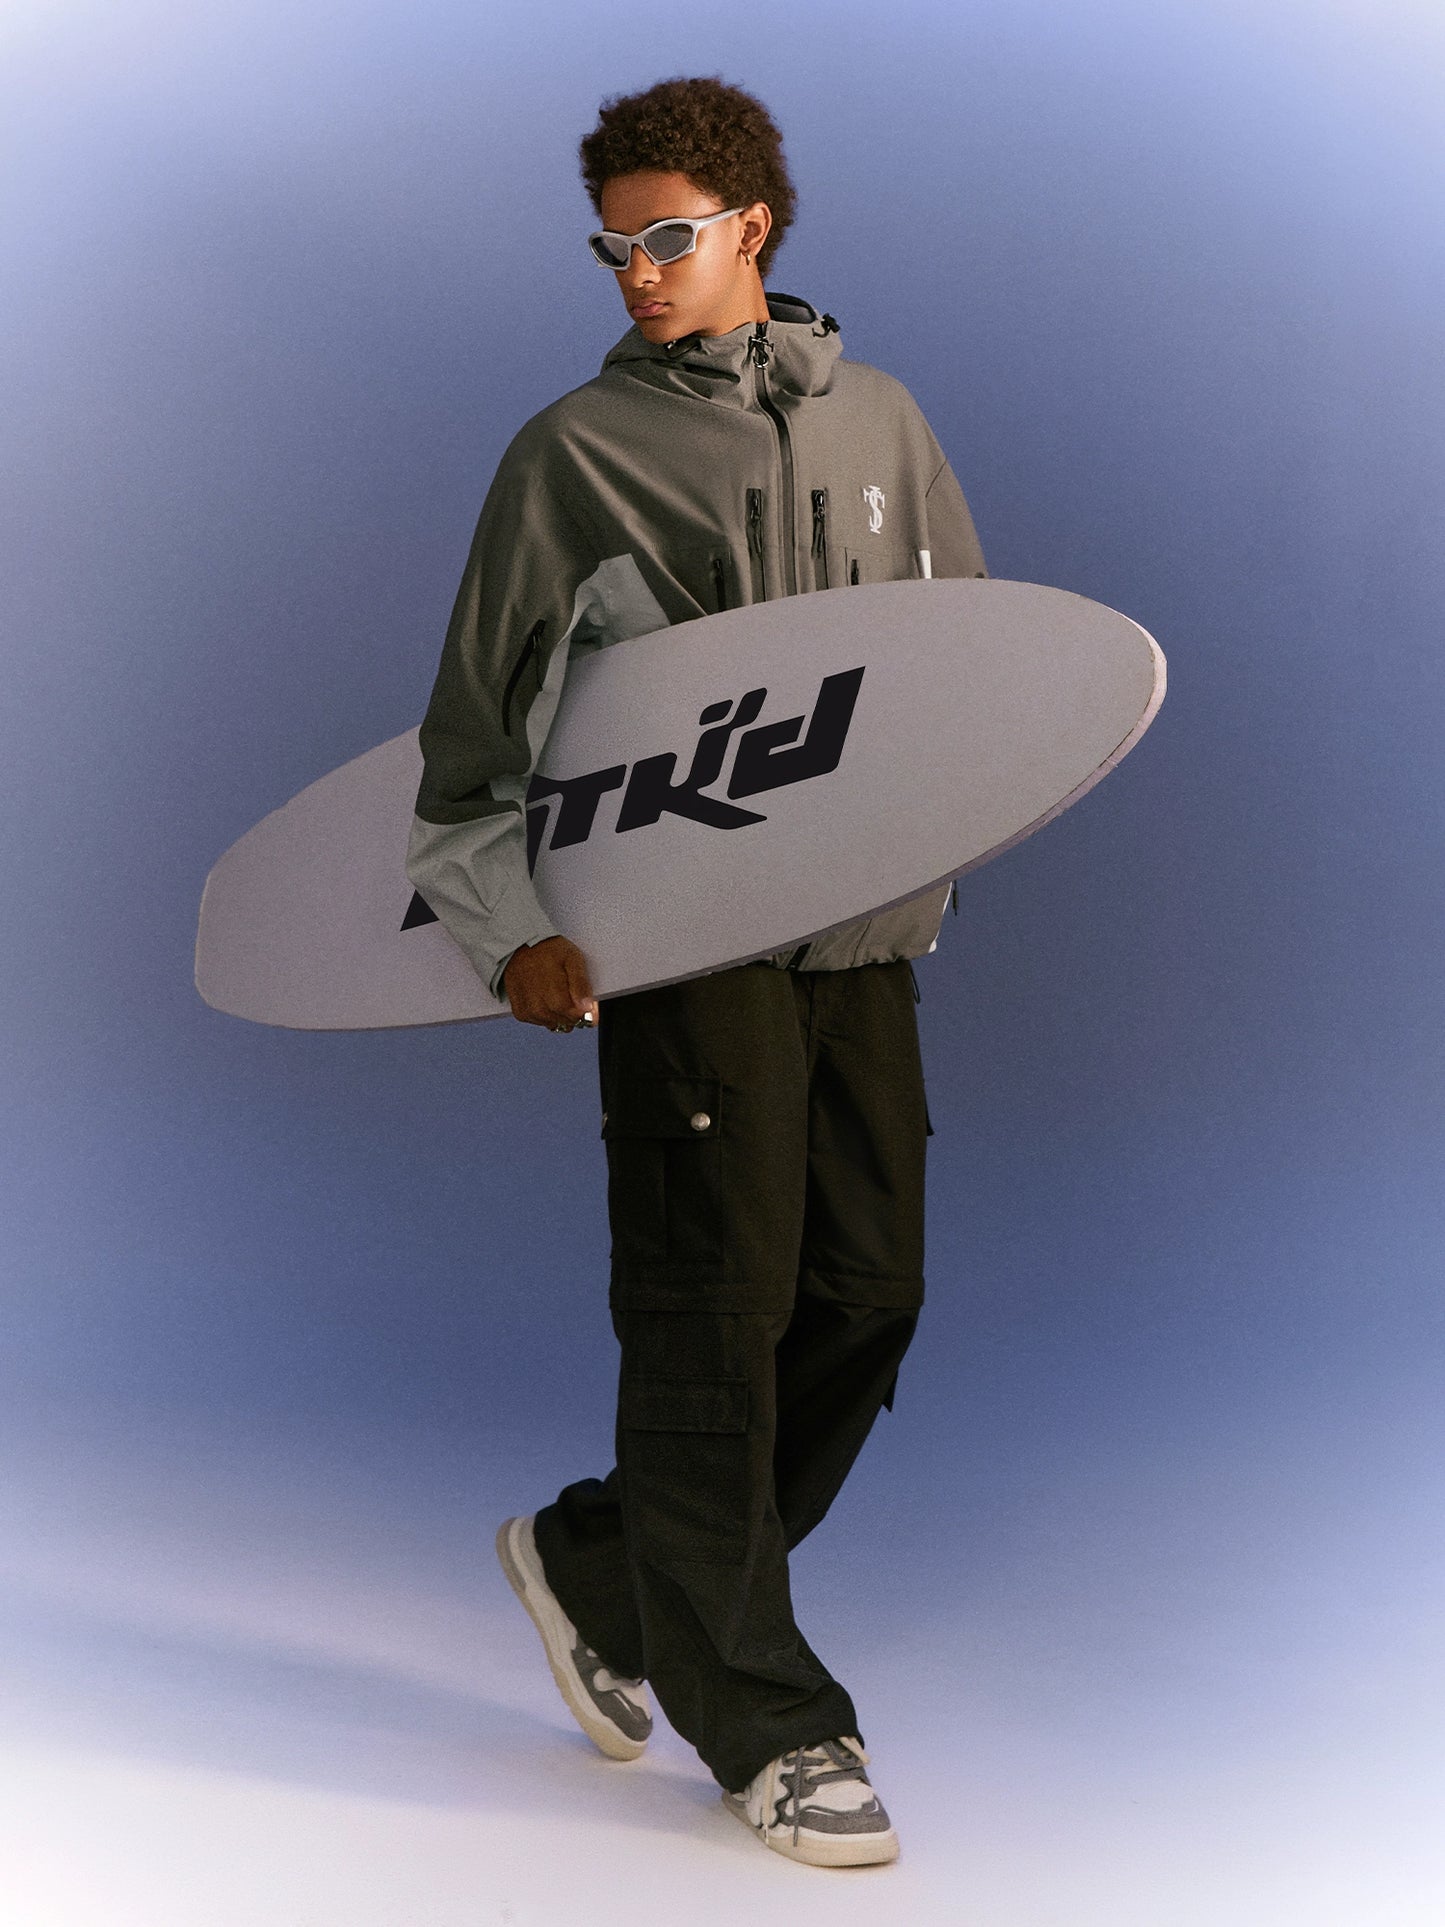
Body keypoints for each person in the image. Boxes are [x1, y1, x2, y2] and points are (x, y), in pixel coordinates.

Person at [407, 75, 987, 1868]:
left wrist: (941, 845)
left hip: (859, 934)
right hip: (682, 940)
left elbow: (963, 658)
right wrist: (510, 926)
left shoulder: (882, 418)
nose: (637, 272)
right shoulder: (574, 450)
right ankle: (769, 1724)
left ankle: (598, 1563)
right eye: (612, 246)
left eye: (667, 237)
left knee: (866, 1293)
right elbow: (473, 736)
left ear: (751, 226)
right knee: (709, 1320)